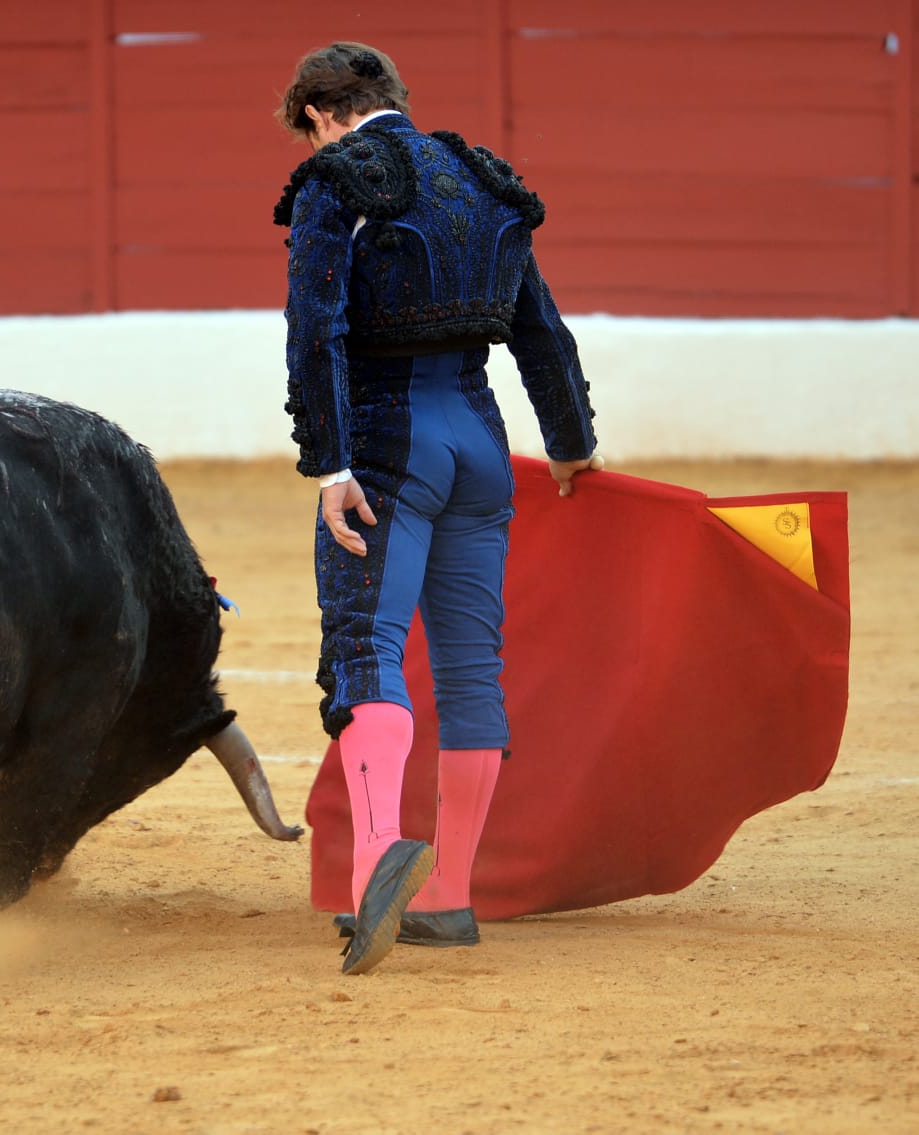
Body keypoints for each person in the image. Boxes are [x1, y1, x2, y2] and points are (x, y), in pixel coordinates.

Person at [273, 41, 600, 975]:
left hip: (388, 448)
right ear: (391, 99)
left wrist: (330, 464)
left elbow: (315, 332)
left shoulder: (335, 180)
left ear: (317, 115)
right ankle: (449, 898)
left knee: (367, 646)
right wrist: (571, 444)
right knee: (468, 664)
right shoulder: (480, 177)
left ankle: (381, 864)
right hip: (480, 447)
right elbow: (541, 329)